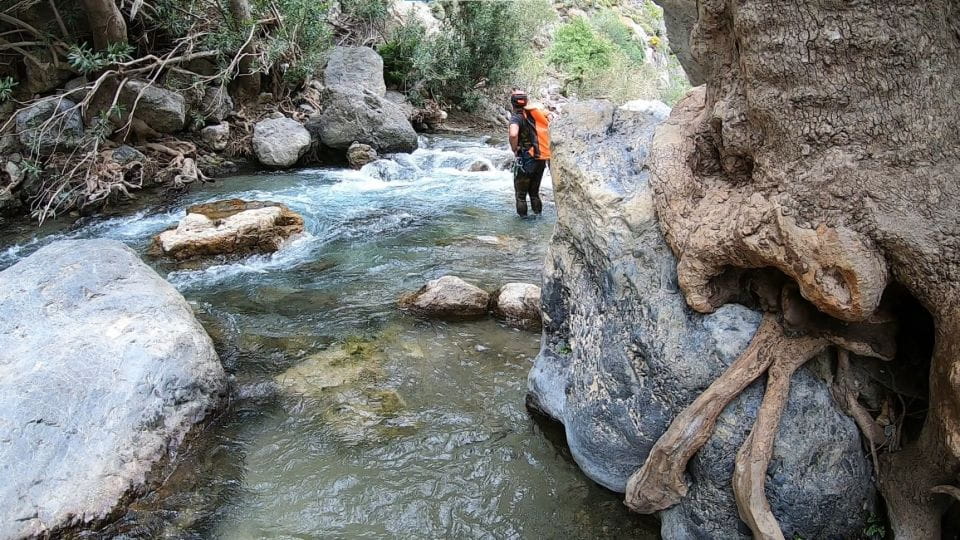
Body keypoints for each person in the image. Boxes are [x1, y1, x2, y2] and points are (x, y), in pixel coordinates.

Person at [508, 88, 551, 217]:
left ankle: (522, 225)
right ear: (526, 101)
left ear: (512, 103)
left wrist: (514, 148)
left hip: (526, 158)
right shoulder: (535, 114)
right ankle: (538, 217)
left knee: (521, 196)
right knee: (534, 193)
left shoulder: (516, 117)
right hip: (541, 156)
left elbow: (513, 133)